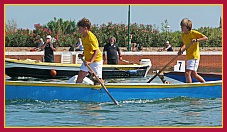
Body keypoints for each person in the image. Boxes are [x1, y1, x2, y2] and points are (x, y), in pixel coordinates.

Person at [178, 18, 208, 83]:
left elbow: (205, 38)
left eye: (182, 26)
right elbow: (185, 44)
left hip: (194, 56)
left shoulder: (193, 33)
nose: (181, 28)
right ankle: (204, 84)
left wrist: (196, 40)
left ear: (186, 27)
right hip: (189, 56)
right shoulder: (183, 35)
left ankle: (189, 89)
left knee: (187, 73)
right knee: (194, 75)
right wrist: (181, 50)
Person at [76, 17, 103, 84]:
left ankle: (102, 89)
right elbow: (86, 48)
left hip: (96, 61)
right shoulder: (82, 36)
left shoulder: (91, 38)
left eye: (80, 29)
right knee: (81, 75)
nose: (79, 30)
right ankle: (76, 91)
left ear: (85, 28)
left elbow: (96, 51)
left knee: (98, 79)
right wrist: (83, 54)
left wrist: (90, 62)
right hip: (87, 60)